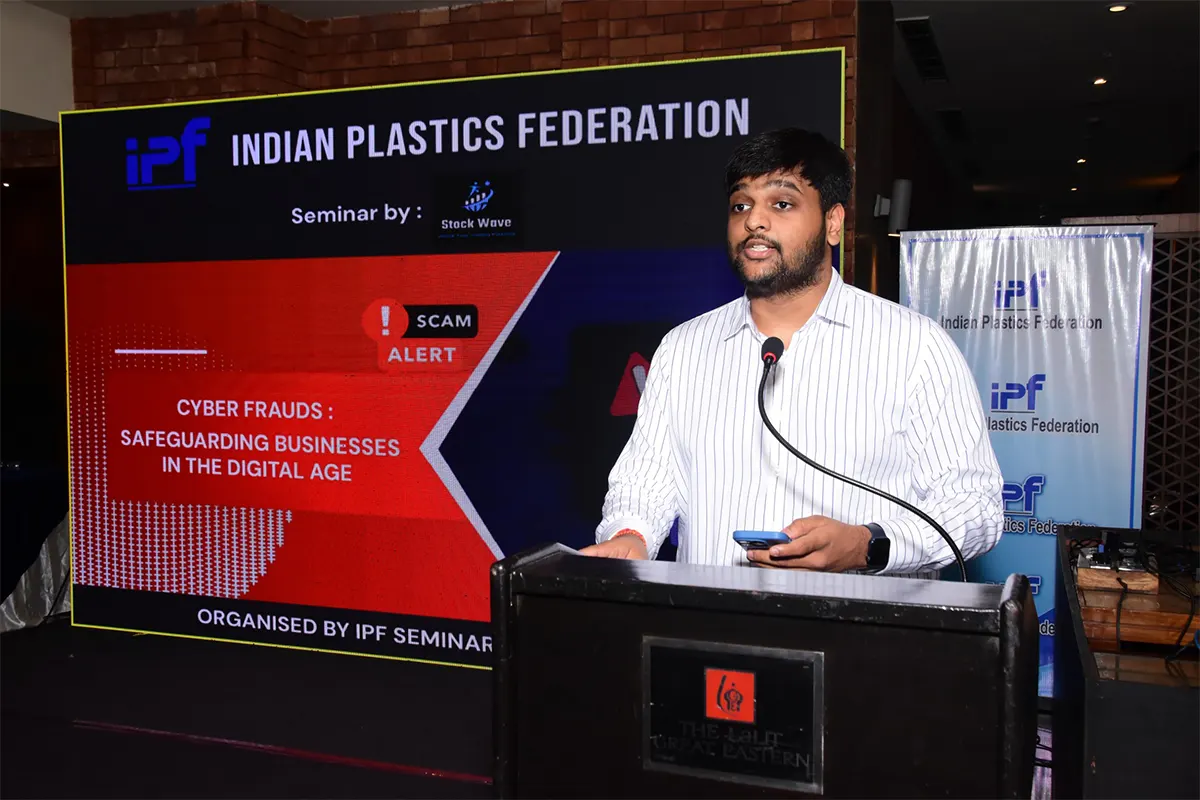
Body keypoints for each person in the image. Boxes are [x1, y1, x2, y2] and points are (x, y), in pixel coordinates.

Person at [581, 128, 1003, 577]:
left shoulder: (915, 347)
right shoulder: (683, 348)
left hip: (858, 621)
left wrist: (867, 545)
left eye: (781, 204)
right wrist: (631, 535)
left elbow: (975, 506)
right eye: (741, 205)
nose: (754, 222)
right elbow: (643, 485)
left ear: (833, 223)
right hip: (710, 618)